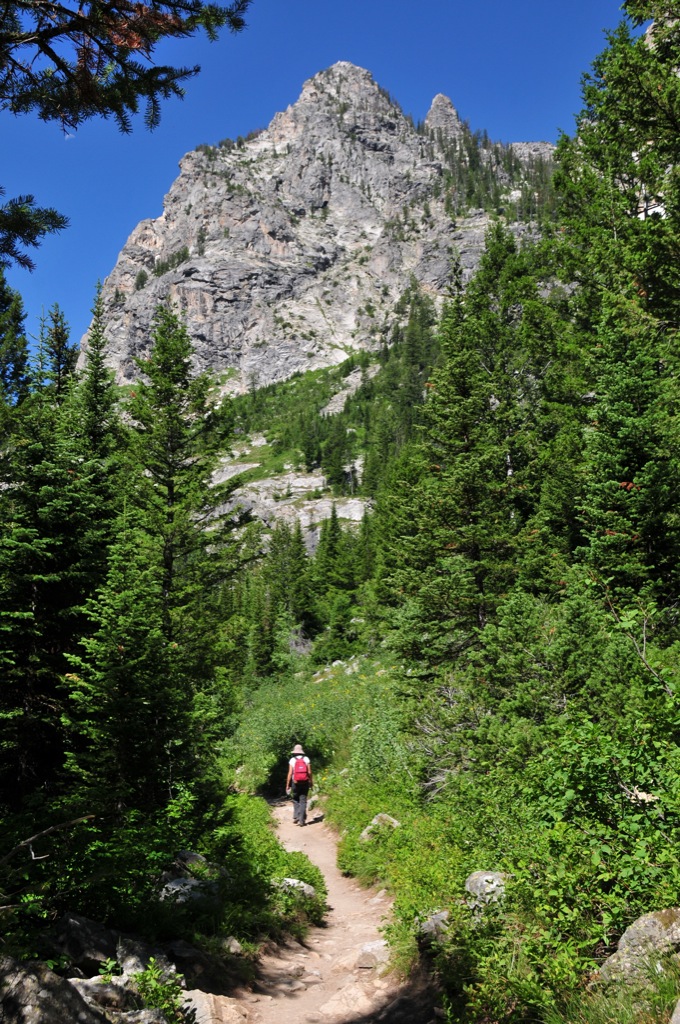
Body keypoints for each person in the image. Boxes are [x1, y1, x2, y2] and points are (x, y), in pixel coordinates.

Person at [286, 743, 313, 826]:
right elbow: (309, 772)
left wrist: (287, 784)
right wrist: (311, 782)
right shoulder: (306, 759)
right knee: (303, 800)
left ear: (294, 752)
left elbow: (290, 773)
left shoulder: (292, 760)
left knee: (295, 799)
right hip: (305, 782)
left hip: (295, 782)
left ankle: (297, 816)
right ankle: (302, 820)